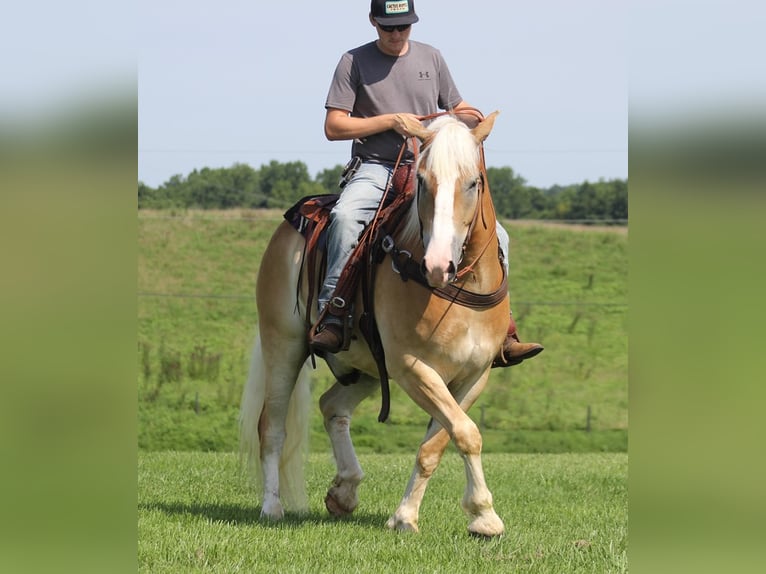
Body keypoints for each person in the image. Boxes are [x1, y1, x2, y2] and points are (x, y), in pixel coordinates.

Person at [310, 0, 543, 368]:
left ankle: (504, 330)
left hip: (432, 168)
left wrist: (467, 117)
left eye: (404, 26)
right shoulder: (352, 61)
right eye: (389, 27)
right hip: (377, 166)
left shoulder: (431, 57)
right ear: (373, 21)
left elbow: (458, 105)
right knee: (345, 217)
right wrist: (389, 121)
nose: (397, 34)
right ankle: (333, 313)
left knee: (500, 235)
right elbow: (334, 127)